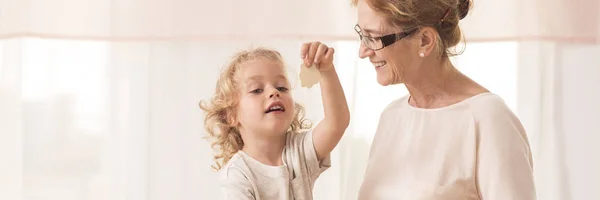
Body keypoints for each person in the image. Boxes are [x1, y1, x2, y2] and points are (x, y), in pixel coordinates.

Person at [351, 0, 537, 199]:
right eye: (363, 35)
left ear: (425, 40)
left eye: (374, 38)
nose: (363, 51)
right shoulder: (392, 116)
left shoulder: (488, 119)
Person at [199, 42, 350, 200]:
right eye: (257, 90)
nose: (273, 92)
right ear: (231, 115)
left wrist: (326, 70)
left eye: (282, 87)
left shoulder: (299, 151)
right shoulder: (238, 174)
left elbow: (336, 123)